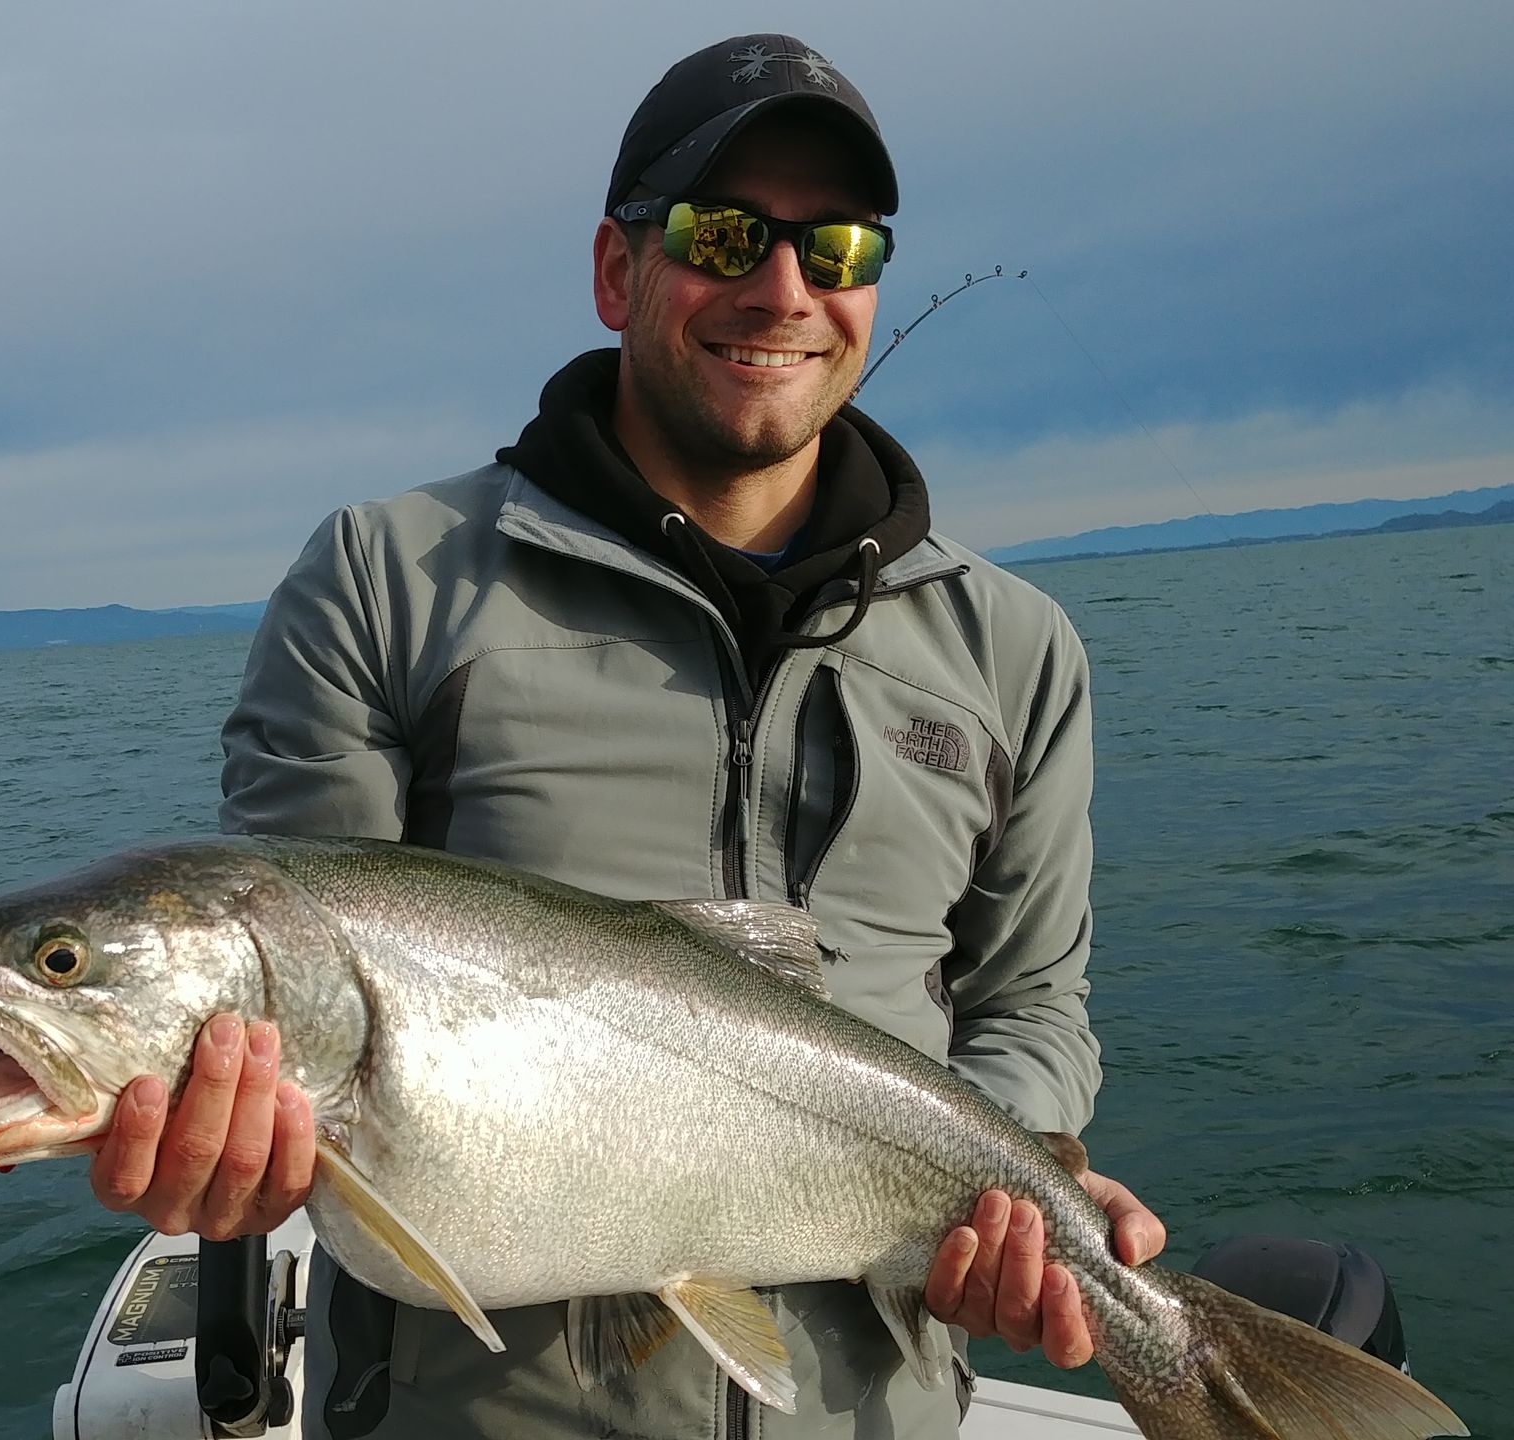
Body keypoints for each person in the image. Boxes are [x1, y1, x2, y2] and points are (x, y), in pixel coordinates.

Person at [90, 32, 1165, 1439]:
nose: (783, 289)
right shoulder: (385, 582)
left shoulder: (1013, 648)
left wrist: (1016, 1192)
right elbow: (302, 980)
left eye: (835, 246)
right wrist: (222, 1154)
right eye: (726, 234)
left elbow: (1029, 1008)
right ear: (618, 271)